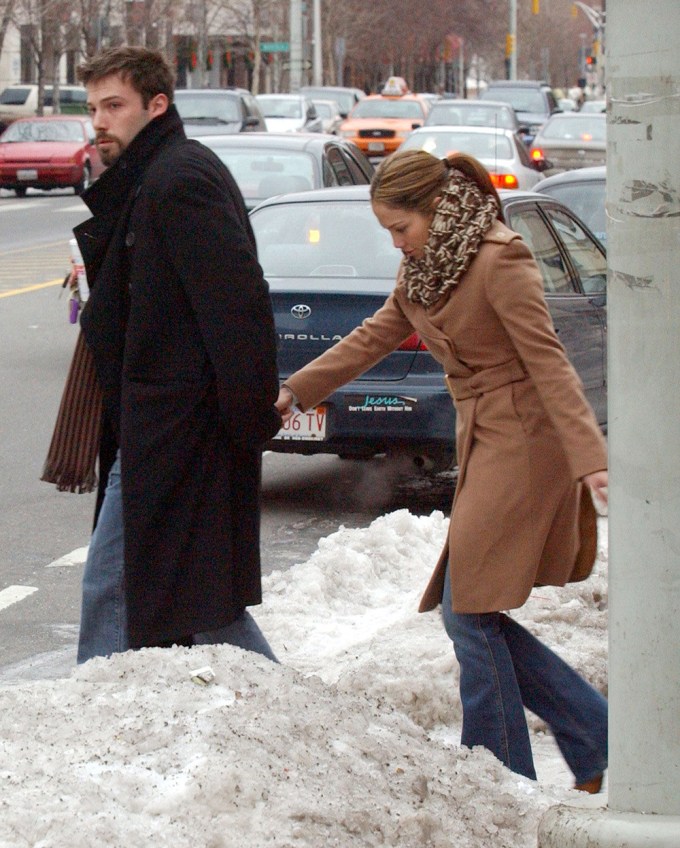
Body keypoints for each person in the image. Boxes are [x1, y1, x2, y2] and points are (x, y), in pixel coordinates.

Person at [275, 149, 609, 791]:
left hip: (528, 441)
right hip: (483, 438)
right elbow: (375, 335)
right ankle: (590, 737)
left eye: (399, 228)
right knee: (472, 610)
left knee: (468, 610)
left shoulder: (499, 258)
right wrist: (298, 390)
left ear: (437, 209)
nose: (395, 243)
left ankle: (499, 766)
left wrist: (588, 455)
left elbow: (550, 362)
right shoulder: (424, 267)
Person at [42, 46, 281, 663]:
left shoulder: (178, 180)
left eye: (114, 105)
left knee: (120, 588)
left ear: (157, 105)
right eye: (93, 107)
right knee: (190, 605)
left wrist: (247, 421)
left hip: (177, 431)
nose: (100, 121)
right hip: (159, 427)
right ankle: (288, 716)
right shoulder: (152, 178)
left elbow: (239, 312)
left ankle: (97, 725)